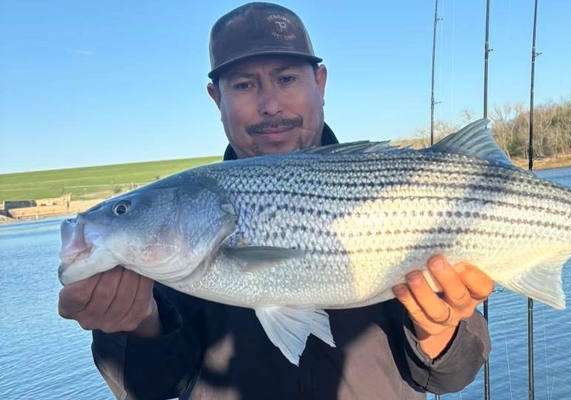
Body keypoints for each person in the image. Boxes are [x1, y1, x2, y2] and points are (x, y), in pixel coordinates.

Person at [57, 3, 494, 400]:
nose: (269, 105)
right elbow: (156, 386)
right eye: (245, 85)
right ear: (217, 99)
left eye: (287, 79)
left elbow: (450, 377)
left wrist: (440, 333)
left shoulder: (406, 193)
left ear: (319, 82)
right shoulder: (171, 244)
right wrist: (135, 326)